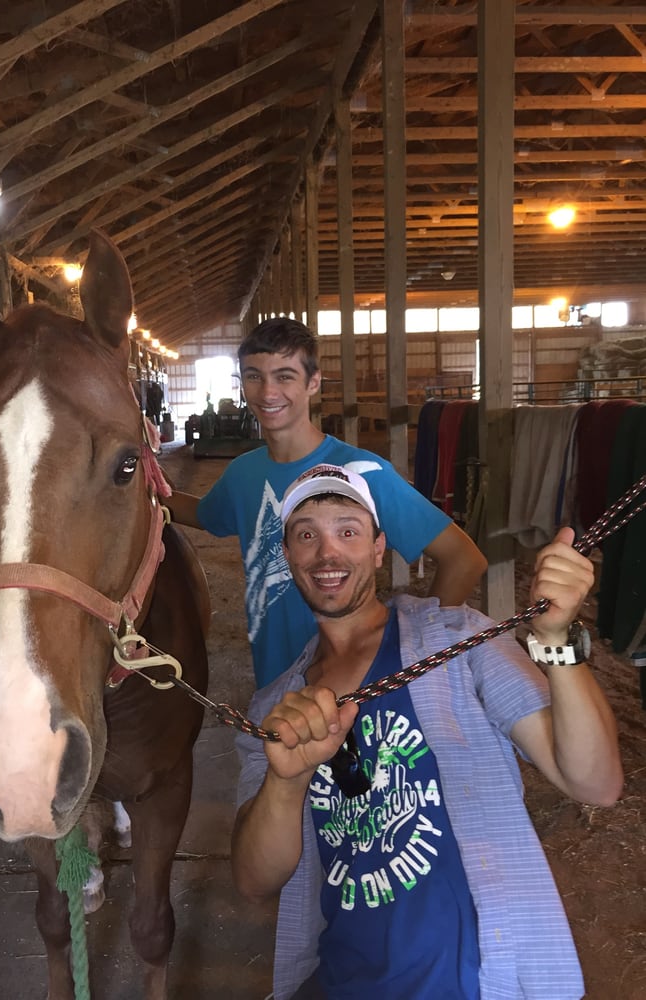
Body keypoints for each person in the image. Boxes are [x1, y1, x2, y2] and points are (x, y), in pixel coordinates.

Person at [232, 463, 623, 1000]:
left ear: (377, 547)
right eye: (306, 535)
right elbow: (255, 881)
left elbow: (594, 783)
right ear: (289, 557)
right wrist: (286, 782)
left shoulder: (460, 640)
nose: (327, 553)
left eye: (347, 531)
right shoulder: (275, 708)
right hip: (341, 981)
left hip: (478, 982)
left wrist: (556, 640)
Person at [169, 318, 487, 687]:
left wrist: (413, 650)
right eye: (254, 376)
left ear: (313, 382)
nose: (268, 392)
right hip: (277, 681)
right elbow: (207, 516)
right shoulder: (243, 474)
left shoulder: (362, 472)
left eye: (285, 376)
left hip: (353, 686)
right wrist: (146, 488)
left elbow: (464, 559)